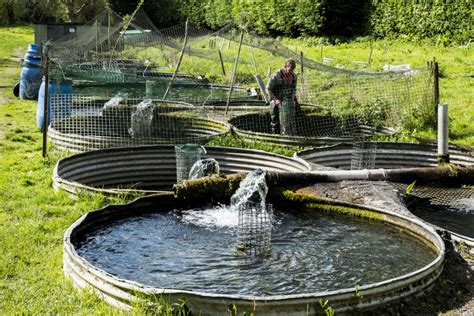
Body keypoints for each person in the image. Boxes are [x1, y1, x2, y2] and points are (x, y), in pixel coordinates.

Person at [266, 58, 297, 135]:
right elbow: (268, 88)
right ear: (285, 66)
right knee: (275, 120)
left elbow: (293, 89)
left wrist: (293, 100)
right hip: (277, 98)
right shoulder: (277, 75)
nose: (290, 72)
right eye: (289, 69)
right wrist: (275, 100)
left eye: (292, 70)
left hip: (289, 100)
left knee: (291, 119)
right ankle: (276, 137)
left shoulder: (294, 76)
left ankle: (292, 135)